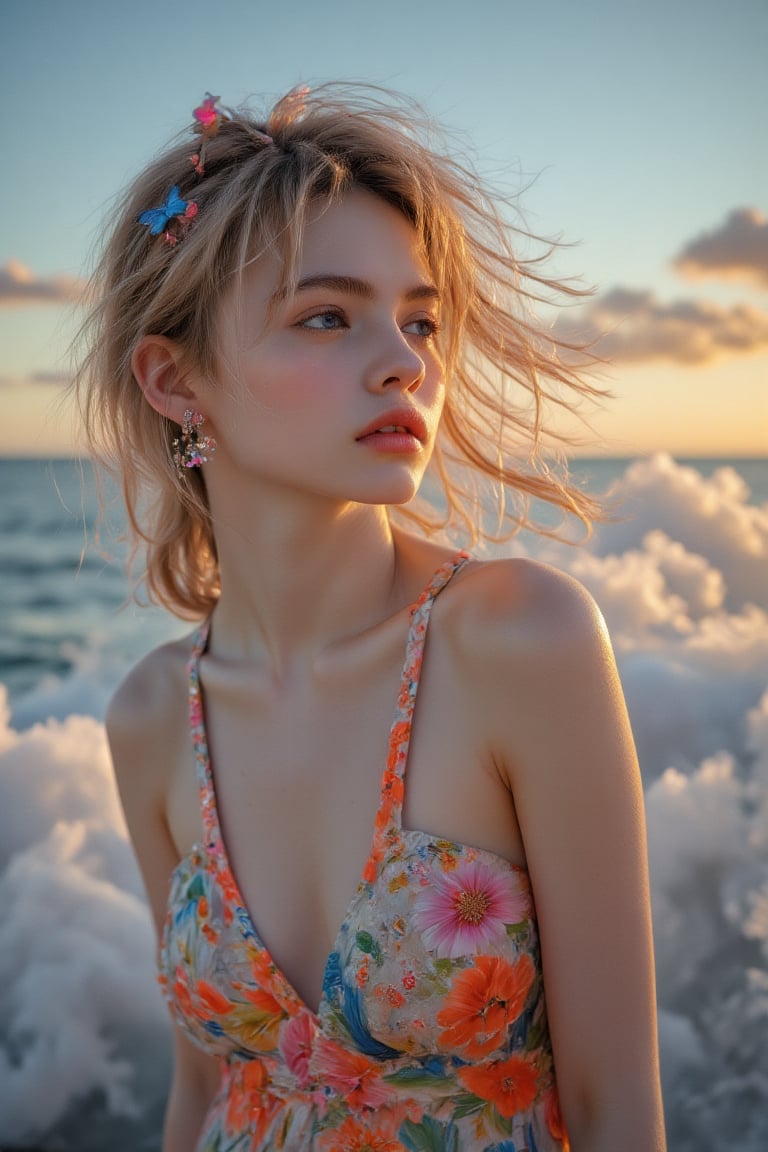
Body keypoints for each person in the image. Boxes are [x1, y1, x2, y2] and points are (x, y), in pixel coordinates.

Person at [75, 85, 666, 1152]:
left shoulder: (519, 642)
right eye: (326, 317)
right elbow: (204, 1096)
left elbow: (619, 1106)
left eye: (422, 319)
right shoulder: (154, 714)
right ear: (176, 380)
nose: (407, 360)